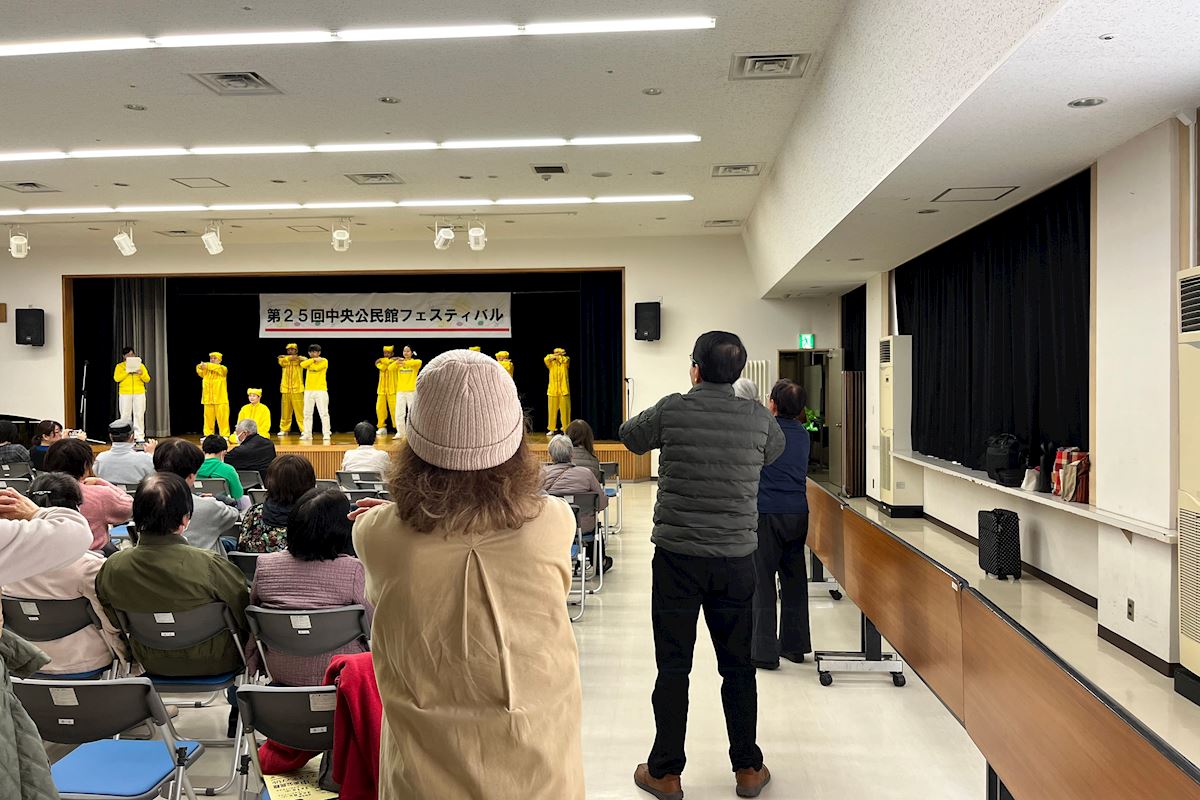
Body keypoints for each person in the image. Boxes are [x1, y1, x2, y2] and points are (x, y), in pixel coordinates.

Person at [354, 349, 583, 799]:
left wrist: (390, 515)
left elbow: (411, 535)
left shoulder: (376, 534)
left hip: (423, 778)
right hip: (537, 771)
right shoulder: (556, 520)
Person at [620, 330, 784, 800]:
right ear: (738, 373)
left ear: (695, 368)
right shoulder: (758, 417)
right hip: (736, 559)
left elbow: (630, 437)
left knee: (673, 667)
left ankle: (666, 773)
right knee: (738, 667)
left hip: (677, 559)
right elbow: (773, 452)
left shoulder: (672, 409)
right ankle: (748, 769)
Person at [95, 472, 249, 736]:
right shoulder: (210, 565)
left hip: (150, 661)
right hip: (216, 661)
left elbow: (113, 620)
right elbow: (243, 615)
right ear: (185, 519)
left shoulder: (112, 568)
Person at [0, 484, 93, 800]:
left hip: (29, 675)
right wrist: (35, 513)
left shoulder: (14, 572)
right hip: (84, 661)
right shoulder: (90, 566)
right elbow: (75, 533)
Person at [4, 472, 131, 675]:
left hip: (23, 662)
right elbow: (113, 623)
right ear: (77, 509)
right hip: (85, 660)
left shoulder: (7, 562)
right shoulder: (90, 567)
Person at [249, 487, 372, 686]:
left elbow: (255, 616)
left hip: (282, 671)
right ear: (343, 529)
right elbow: (371, 625)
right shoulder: (353, 570)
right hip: (342, 673)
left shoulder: (265, 565)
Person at [752, 380, 813, 670]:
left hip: (767, 512)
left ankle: (763, 651)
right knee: (794, 578)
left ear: (773, 404)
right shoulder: (803, 434)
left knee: (763, 580)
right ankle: (794, 645)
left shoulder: (766, 431)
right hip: (798, 513)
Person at [44, 437, 132, 552]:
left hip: (51, 555)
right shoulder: (99, 493)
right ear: (86, 465)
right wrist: (101, 482)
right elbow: (129, 508)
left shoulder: (37, 492)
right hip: (94, 554)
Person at [152, 438, 239, 554]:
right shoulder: (210, 506)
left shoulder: (144, 503)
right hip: (202, 563)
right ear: (192, 476)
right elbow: (234, 514)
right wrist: (214, 500)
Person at [542, 434, 610, 572]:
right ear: (572, 454)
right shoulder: (586, 474)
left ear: (550, 455)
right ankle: (598, 563)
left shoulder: (542, 475)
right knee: (593, 525)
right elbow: (602, 503)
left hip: (551, 527)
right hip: (583, 528)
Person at [237, 455, 316, 553]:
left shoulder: (254, 512)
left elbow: (241, 548)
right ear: (310, 481)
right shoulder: (318, 516)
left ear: (270, 481)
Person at [93, 419, 156, 484]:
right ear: (132, 436)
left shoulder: (101, 458)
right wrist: (152, 454)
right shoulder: (144, 458)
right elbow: (155, 477)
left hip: (108, 491)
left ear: (110, 436)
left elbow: (96, 474)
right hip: (137, 491)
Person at [198, 435, 247, 509]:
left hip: (198, 509)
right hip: (223, 510)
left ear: (203, 450)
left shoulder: (193, 468)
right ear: (223, 452)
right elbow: (238, 495)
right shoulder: (228, 470)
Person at [113, 345, 151, 441]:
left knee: (139, 414)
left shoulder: (140, 366)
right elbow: (116, 378)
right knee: (125, 415)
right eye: (128, 355)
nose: (130, 357)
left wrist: (141, 373)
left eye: (132, 354)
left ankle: (139, 436)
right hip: (125, 393)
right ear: (124, 356)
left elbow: (147, 379)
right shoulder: (120, 366)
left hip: (139, 392)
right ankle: (125, 436)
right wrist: (127, 371)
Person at [300, 344, 331, 442]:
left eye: (315, 352)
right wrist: (313, 360)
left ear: (319, 352)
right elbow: (302, 365)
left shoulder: (324, 360)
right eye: (311, 352)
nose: (313, 353)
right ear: (309, 353)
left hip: (321, 390)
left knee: (324, 413)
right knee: (307, 413)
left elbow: (315, 368)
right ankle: (307, 434)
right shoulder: (309, 361)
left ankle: (326, 433)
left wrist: (309, 362)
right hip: (308, 390)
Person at [197, 351, 231, 438]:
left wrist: (206, 365)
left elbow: (217, 368)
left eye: (215, 358)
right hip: (208, 399)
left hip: (220, 399)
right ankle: (208, 435)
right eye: (211, 358)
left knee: (223, 419)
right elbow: (198, 369)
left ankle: (225, 435)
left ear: (219, 360)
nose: (212, 360)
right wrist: (201, 366)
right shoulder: (206, 371)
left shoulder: (223, 369)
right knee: (208, 419)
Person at [277, 343, 306, 437]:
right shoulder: (283, 359)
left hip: (297, 389)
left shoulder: (300, 359)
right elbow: (281, 362)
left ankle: (304, 429)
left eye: (292, 349)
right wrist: (288, 357)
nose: (290, 351)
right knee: (285, 412)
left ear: (296, 350)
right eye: (289, 349)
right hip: (285, 389)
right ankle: (284, 429)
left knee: (300, 411)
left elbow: (306, 360)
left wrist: (297, 357)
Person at [391, 345, 421, 428]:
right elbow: (390, 368)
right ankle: (401, 432)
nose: (406, 353)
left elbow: (419, 362)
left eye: (408, 351)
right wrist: (396, 362)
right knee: (399, 413)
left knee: (413, 413)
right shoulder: (398, 363)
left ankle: (412, 431)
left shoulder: (415, 363)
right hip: (400, 391)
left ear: (412, 353)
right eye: (404, 351)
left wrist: (403, 362)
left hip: (411, 391)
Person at [545, 347, 571, 435]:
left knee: (565, 411)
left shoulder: (565, 360)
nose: (557, 355)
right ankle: (551, 429)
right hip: (553, 390)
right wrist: (555, 356)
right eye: (556, 353)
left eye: (559, 353)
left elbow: (564, 360)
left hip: (564, 390)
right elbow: (546, 359)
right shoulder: (551, 363)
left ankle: (566, 429)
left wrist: (559, 356)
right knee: (552, 411)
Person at [375, 345, 400, 434]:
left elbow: (395, 363)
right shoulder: (382, 363)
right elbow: (383, 367)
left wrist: (383, 360)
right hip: (381, 389)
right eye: (385, 353)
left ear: (392, 353)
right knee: (380, 408)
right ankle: (381, 427)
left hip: (392, 389)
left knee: (394, 409)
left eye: (388, 353)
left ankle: (398, 428)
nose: (386, 354)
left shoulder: (395, 362)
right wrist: (390, 360)